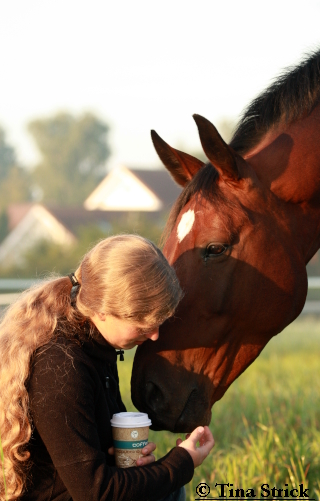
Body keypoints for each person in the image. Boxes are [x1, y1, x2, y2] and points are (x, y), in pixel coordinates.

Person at [0, 234, 214, 501]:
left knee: (166, 489)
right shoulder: (60, 368)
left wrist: (119, 453)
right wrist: (181, 463)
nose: (155, 335)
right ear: (102, 309)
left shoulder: (95, 344)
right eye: (143, 322)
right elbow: (95, 493)